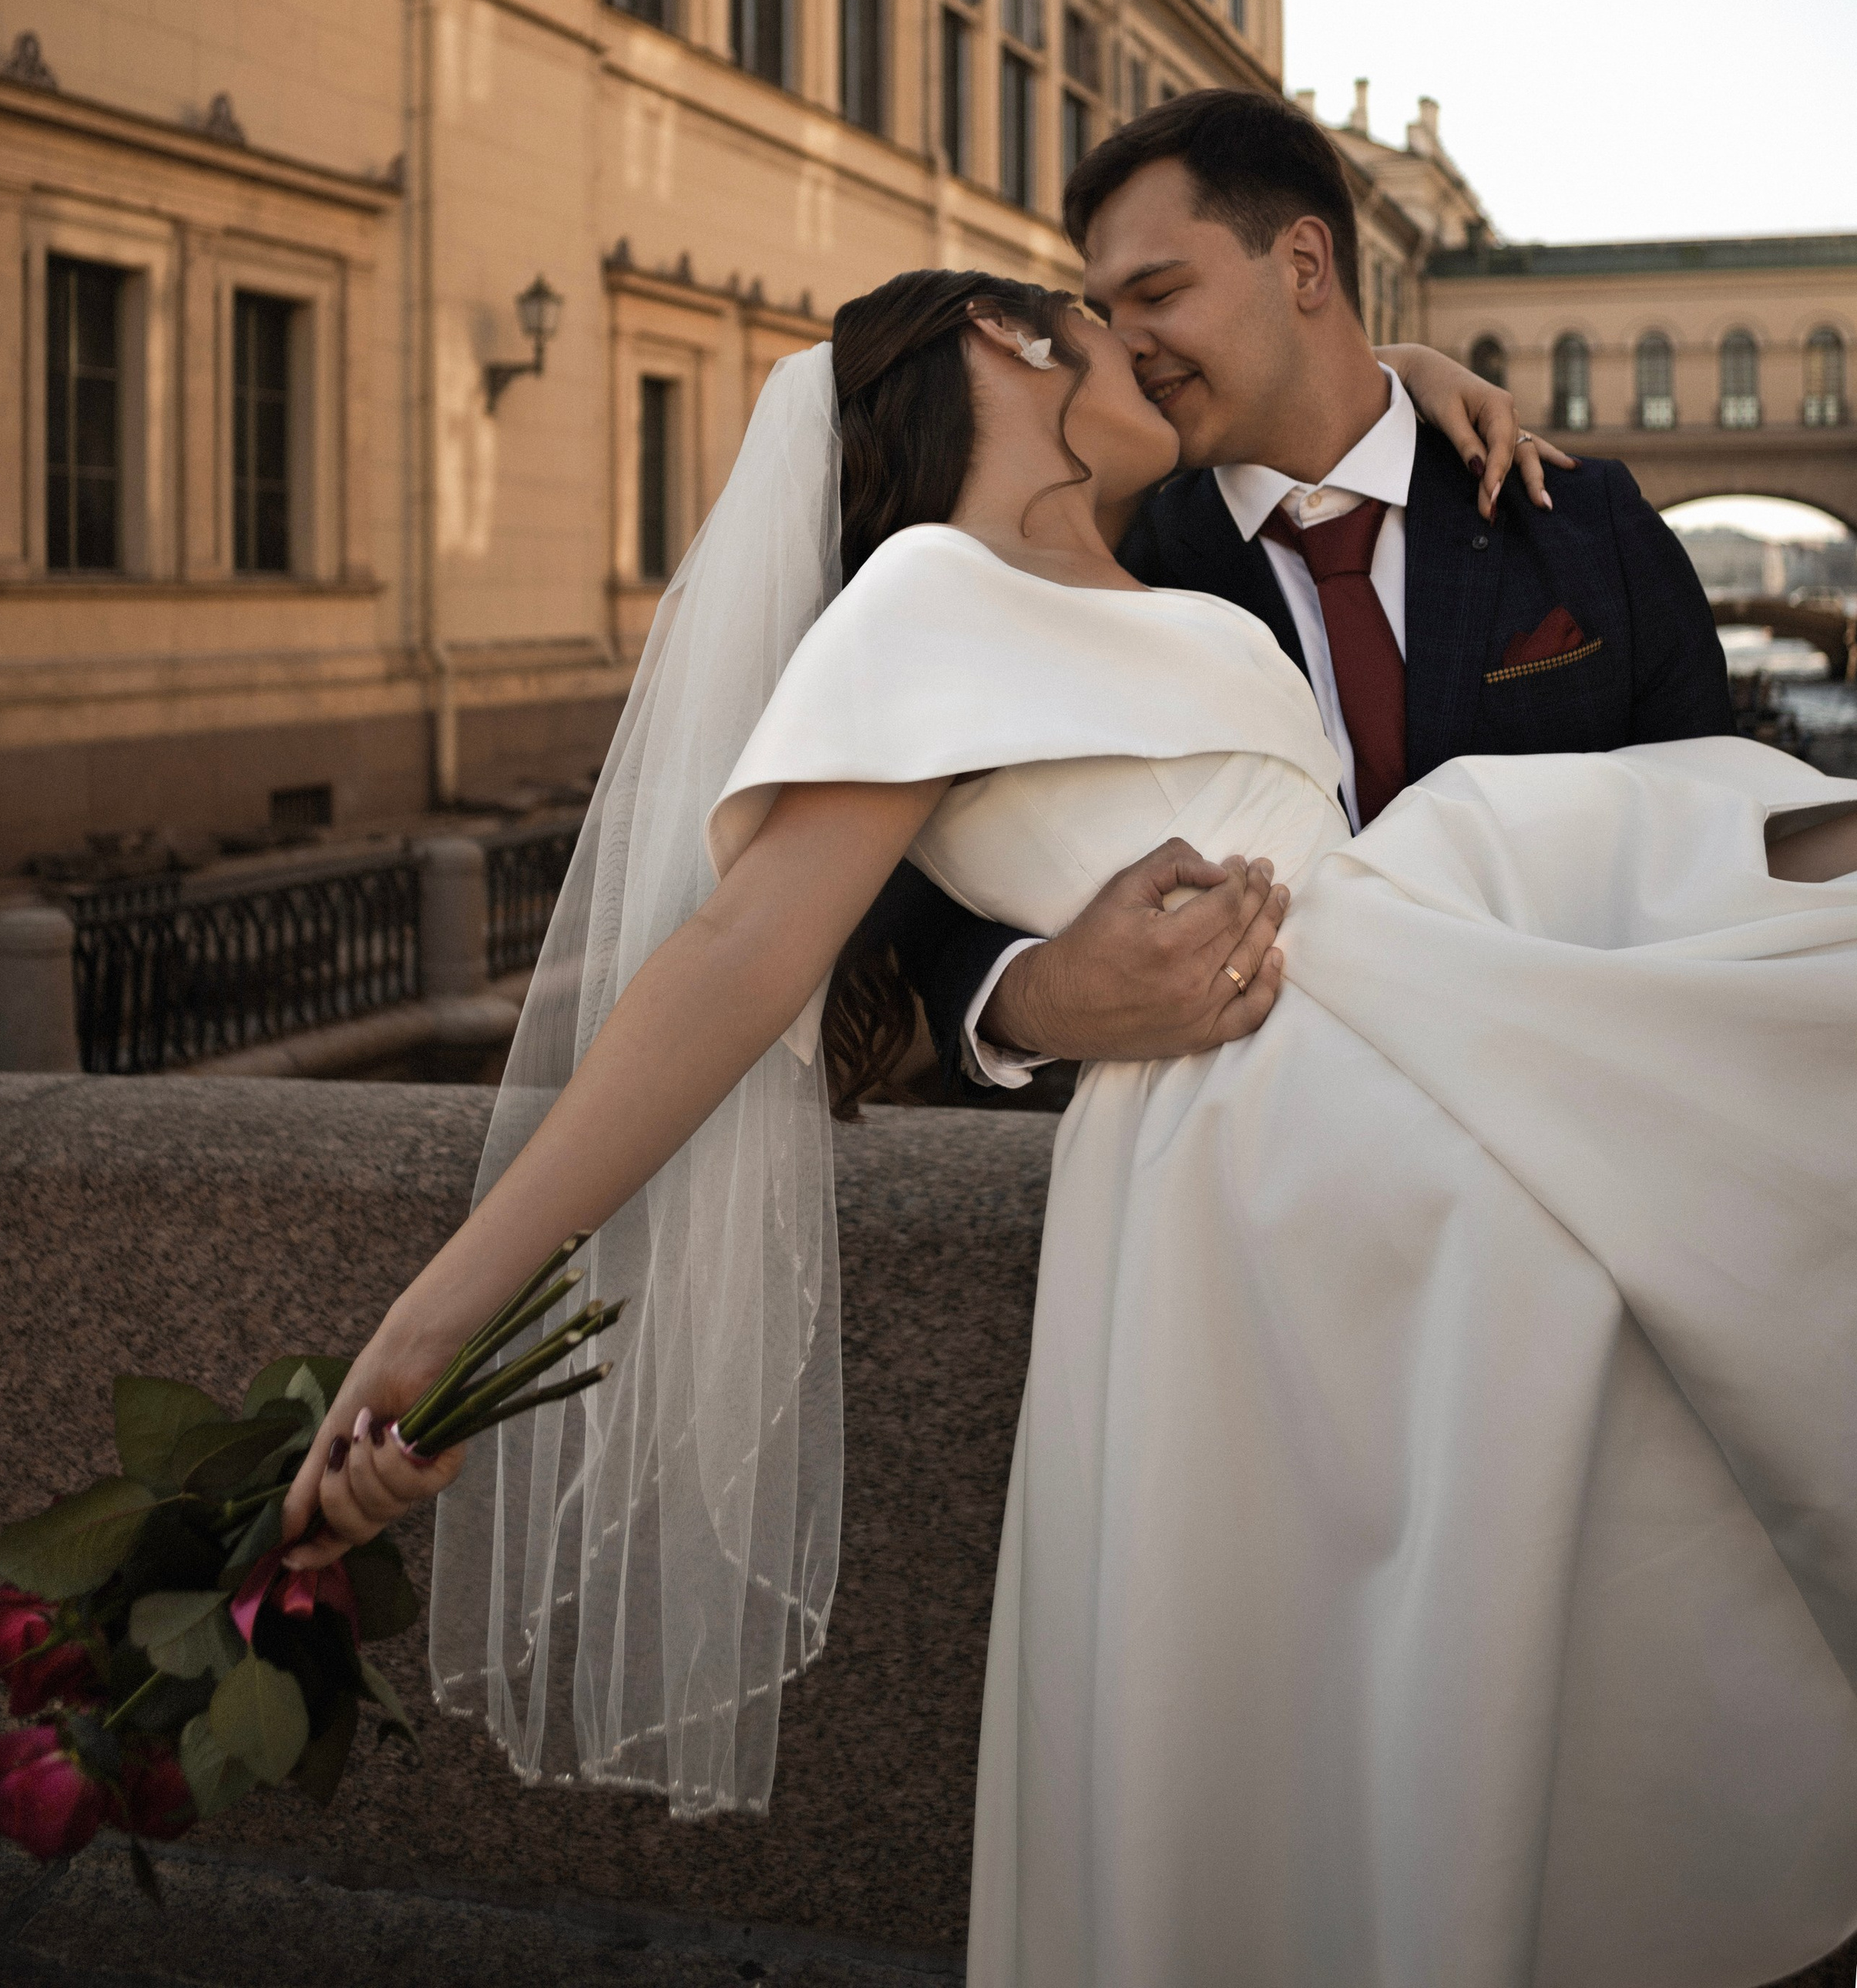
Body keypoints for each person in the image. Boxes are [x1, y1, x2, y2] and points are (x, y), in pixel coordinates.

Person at [281, 275, 1857, 1988]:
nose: (1154, 360)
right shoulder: (920, 598)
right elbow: (738, 960)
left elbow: (1304, 402)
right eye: (1114, 328)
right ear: (1004, 352)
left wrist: (1408, 365)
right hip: (1279, 1169)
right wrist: (437, 1324)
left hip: (1409, 1062)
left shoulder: (1127, 565)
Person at [875, 88, 1733, 1102]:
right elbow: (924, 921)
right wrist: (1036, 999)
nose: (1125, 340)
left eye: (1158, 291)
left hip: (1606, 1110)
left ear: (1306, 264)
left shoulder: (1585, 525)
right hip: (1251, 1179)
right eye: (1105, 312)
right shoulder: (1112, 572)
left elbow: (1722, 831)